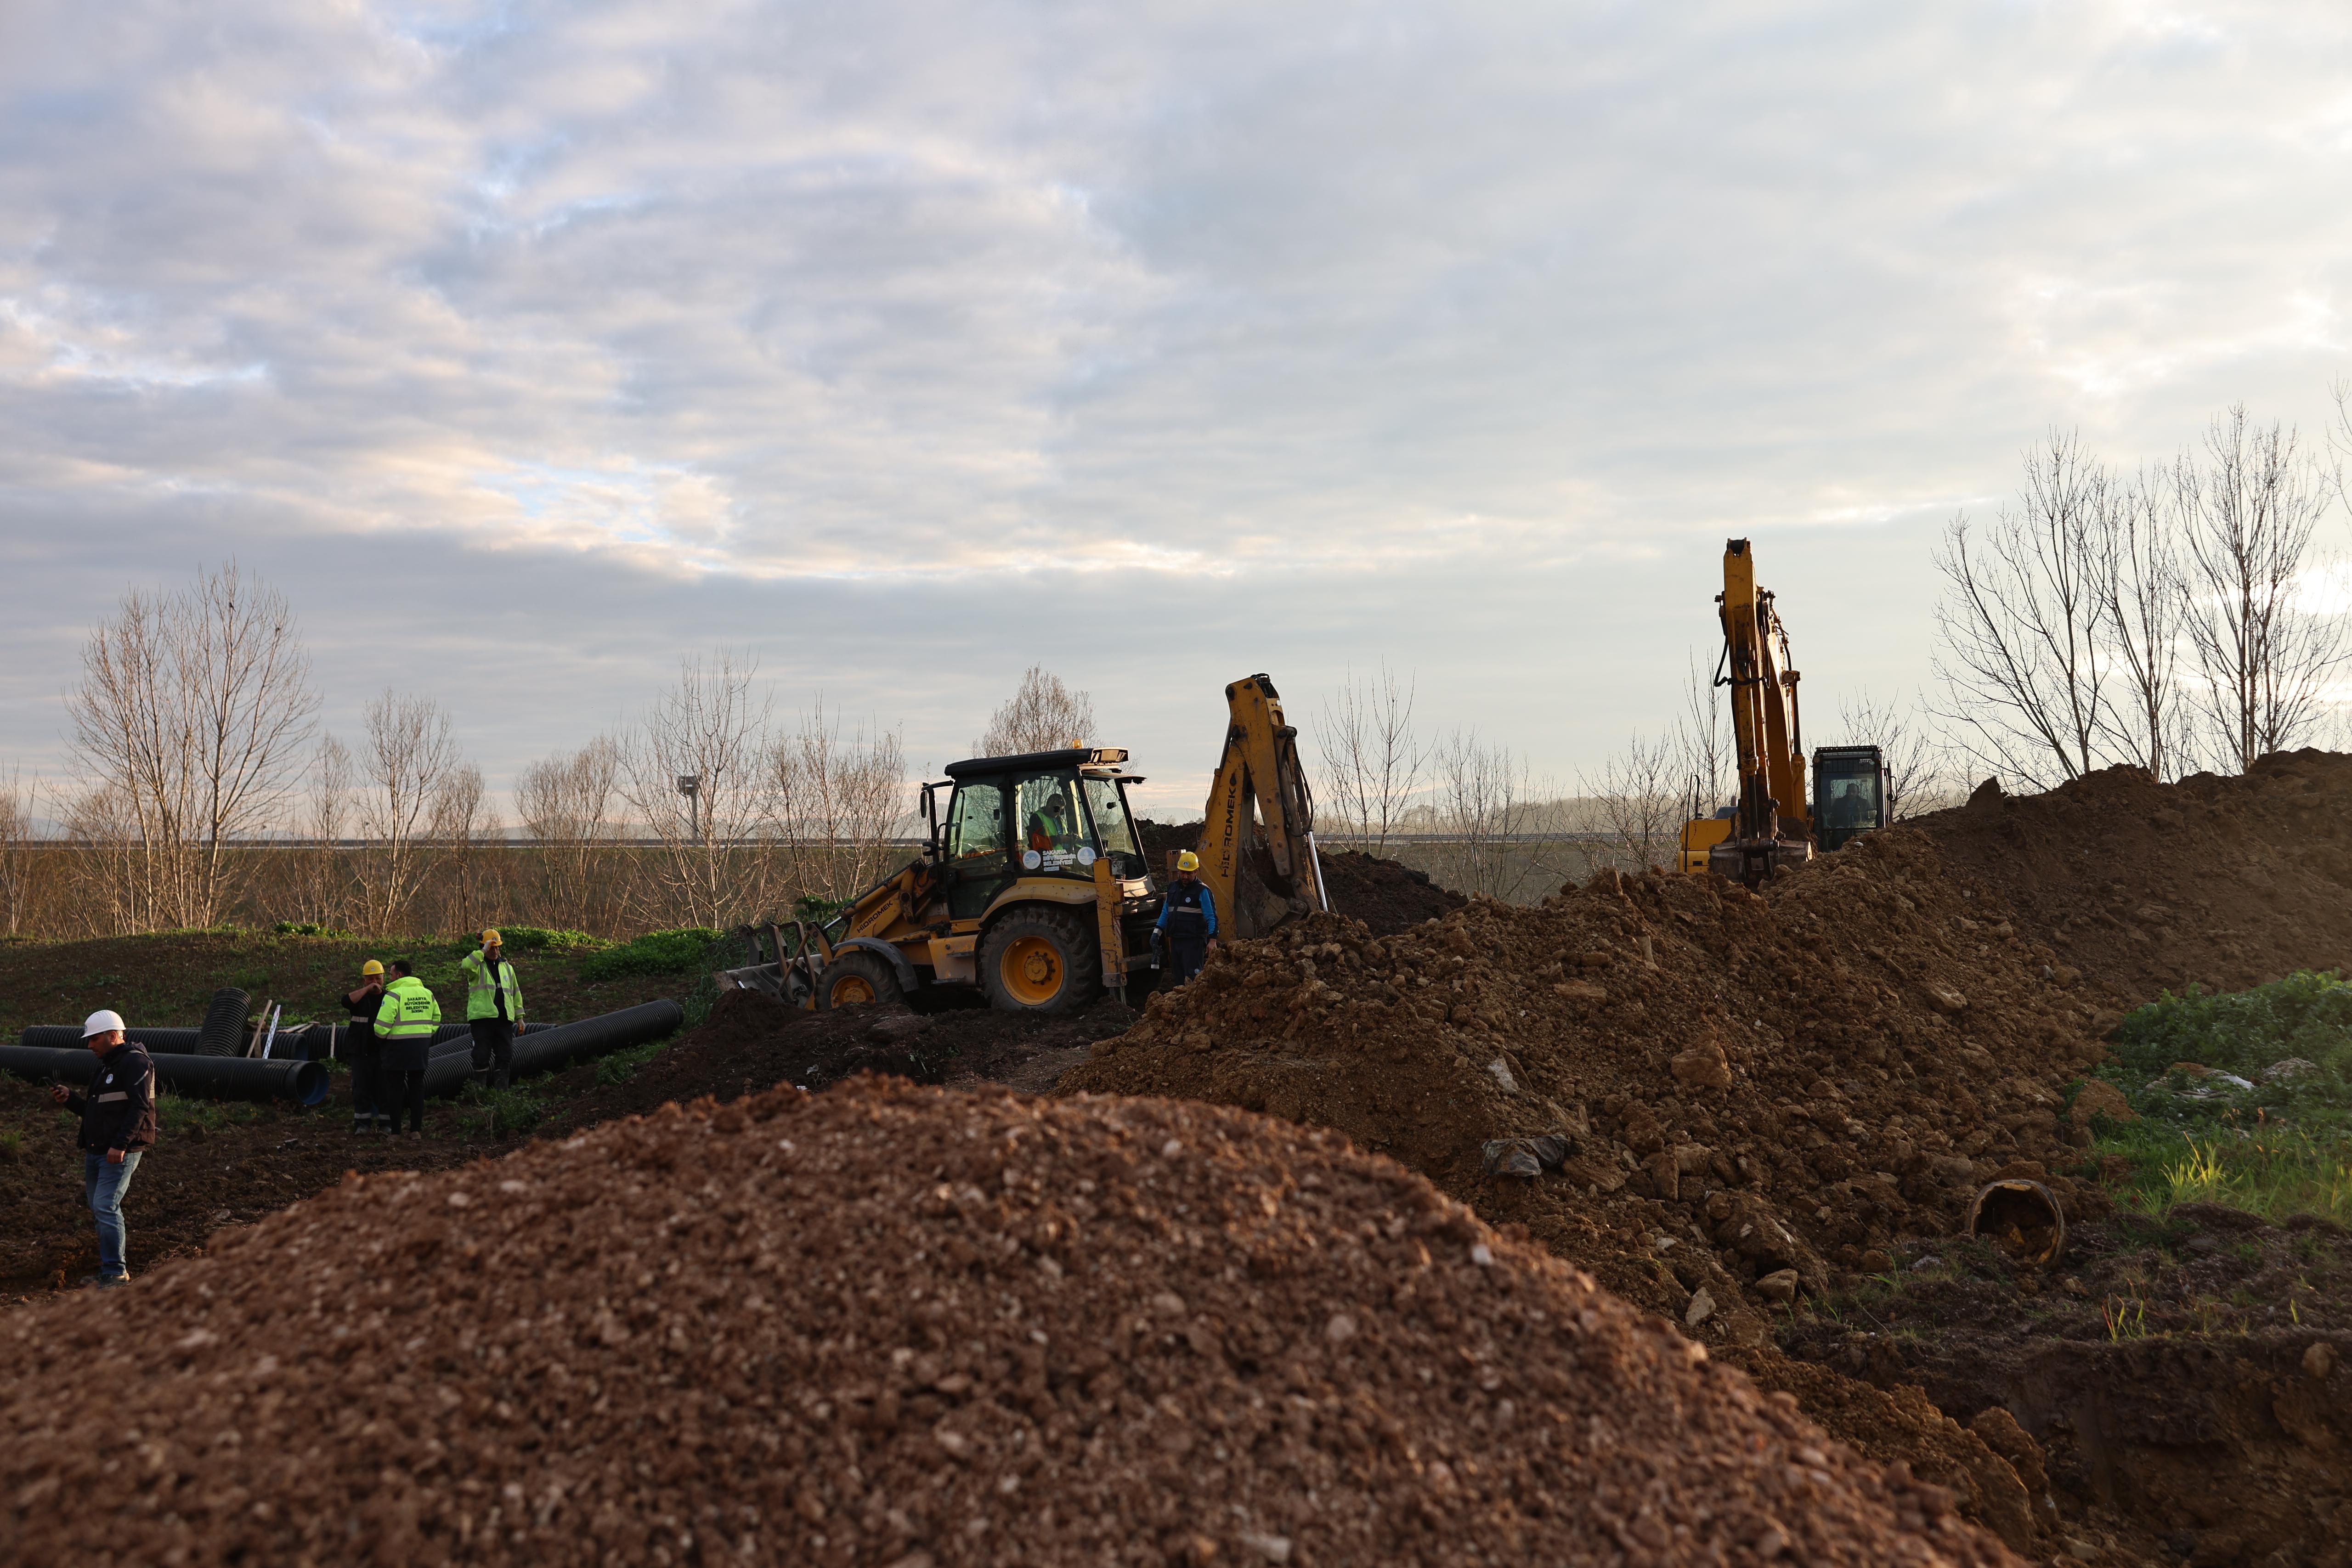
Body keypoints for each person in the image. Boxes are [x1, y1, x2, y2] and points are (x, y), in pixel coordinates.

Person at [47, 1010, 157, 1288]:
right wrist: (71, 1100)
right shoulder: (106, 1066)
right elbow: (95, 1113)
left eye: (94, 1039)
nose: (90, 1045)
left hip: (118, 1152)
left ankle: (116, 1273)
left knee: (106, 1206)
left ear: (113, 1035)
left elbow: (140, 1107)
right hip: (97, 1150)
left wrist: (120, 1145)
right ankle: (109, 1270)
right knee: (100, 1209)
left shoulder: (134, 1062)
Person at [374, 959, 440, 1139]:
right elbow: (437, 1018)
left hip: (397, 1048)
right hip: (420, 1047)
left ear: (400, 975)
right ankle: (416, 1131)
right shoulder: (427, 993)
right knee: (417, 1089)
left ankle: (395, 1132)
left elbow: (381, 1027)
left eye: (391, 975)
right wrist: (425, 1034)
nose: (390, 978)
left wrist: (382, 1040)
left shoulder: (394, 995)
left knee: (395, 1089)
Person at [461, 929, 526, 1090]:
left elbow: (515, 993)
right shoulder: (478, 966)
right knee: (481, 1056)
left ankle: (501, 1094)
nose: (495, 951)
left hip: (504, 1020)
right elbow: (466, 966)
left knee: (505, 1056)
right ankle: (480, 1093)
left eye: (497, 947)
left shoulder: (507, 967)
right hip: (483, 1020)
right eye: (492, 947)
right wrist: (483, 950)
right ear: (485, 947)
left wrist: (520, 1017)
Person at [1155, 850, 1218, 983]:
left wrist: (1213, 941)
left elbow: (1211, 917)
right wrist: (1157, 932)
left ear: (1196, 872)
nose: (1185, 876)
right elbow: (1166, 912)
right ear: (1178, 871)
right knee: (1179, 980)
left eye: (1189, 873)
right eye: (1182, 873)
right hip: (1176, 940)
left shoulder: (1202, 891)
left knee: (1193, 979)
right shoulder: (1173, 888)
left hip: (1193, 942)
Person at [345, 959, 388, 1134]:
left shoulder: (389, 998)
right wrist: (367, 990)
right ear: (364, 980)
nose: (375, 983)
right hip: (360, 1051)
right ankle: (363, 1124)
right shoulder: (359, 998)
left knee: (384, 1087)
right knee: (361, 1088)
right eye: (370, 980)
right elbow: (346, 1002)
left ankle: (386, 1124)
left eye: (378, 978)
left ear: (384, 978)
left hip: (383, 1052)